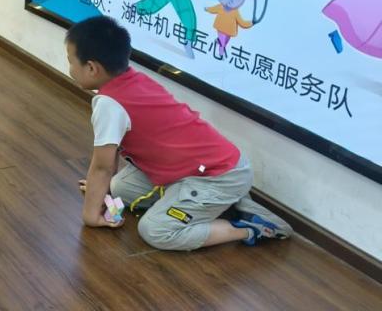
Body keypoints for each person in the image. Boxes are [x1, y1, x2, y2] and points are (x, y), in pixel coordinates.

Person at [65, 15, 293, 250]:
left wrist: (91, 215)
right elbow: (107, 165)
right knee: (120, 188)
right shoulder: (133, 78)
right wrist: (99, 190)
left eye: (71, 61)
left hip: (217, 176)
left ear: (91, 68)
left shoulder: (109, 104)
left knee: (155, 230)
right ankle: (219, 201)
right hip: (198, 169)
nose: (70, 67)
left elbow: (102, 168)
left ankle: (250, 227)